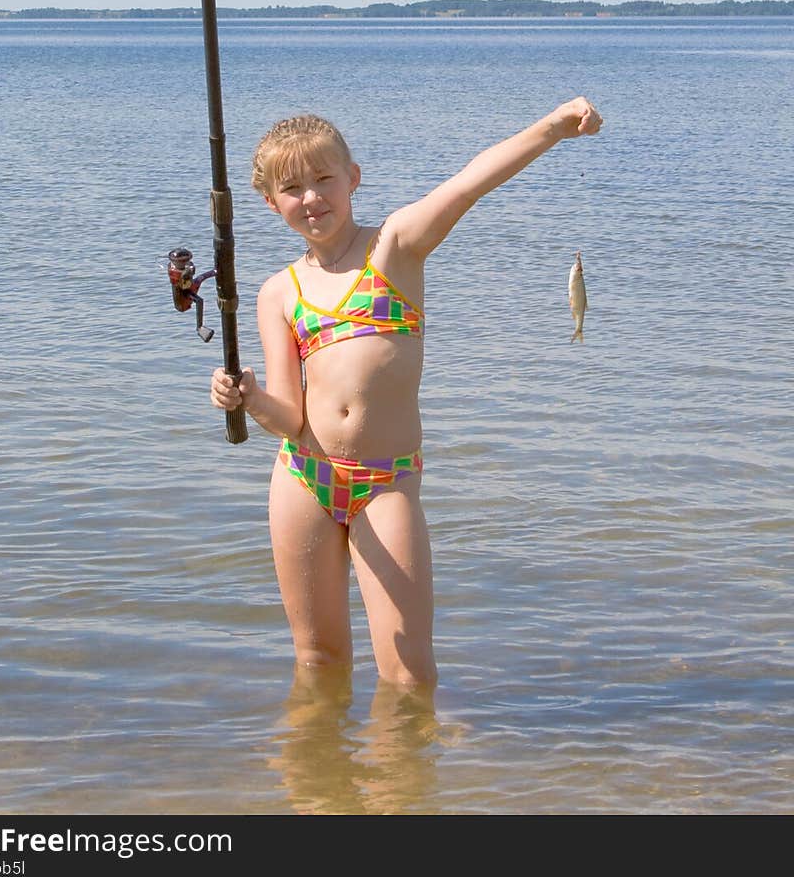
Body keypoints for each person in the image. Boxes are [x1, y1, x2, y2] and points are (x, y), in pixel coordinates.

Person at [211, 97, 603, 689]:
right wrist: (247, 397)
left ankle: (404, 779)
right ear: (271, 203)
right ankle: (316, 778)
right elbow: (289, 418)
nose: (312, 197)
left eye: (324, 179)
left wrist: (550, 129)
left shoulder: (394, 248)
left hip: (384, 482)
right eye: (293, 188)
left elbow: (469, 185)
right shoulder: (278, 293)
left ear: (353, 179)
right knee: (317, 662)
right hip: (302, 477)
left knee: (409, 674)